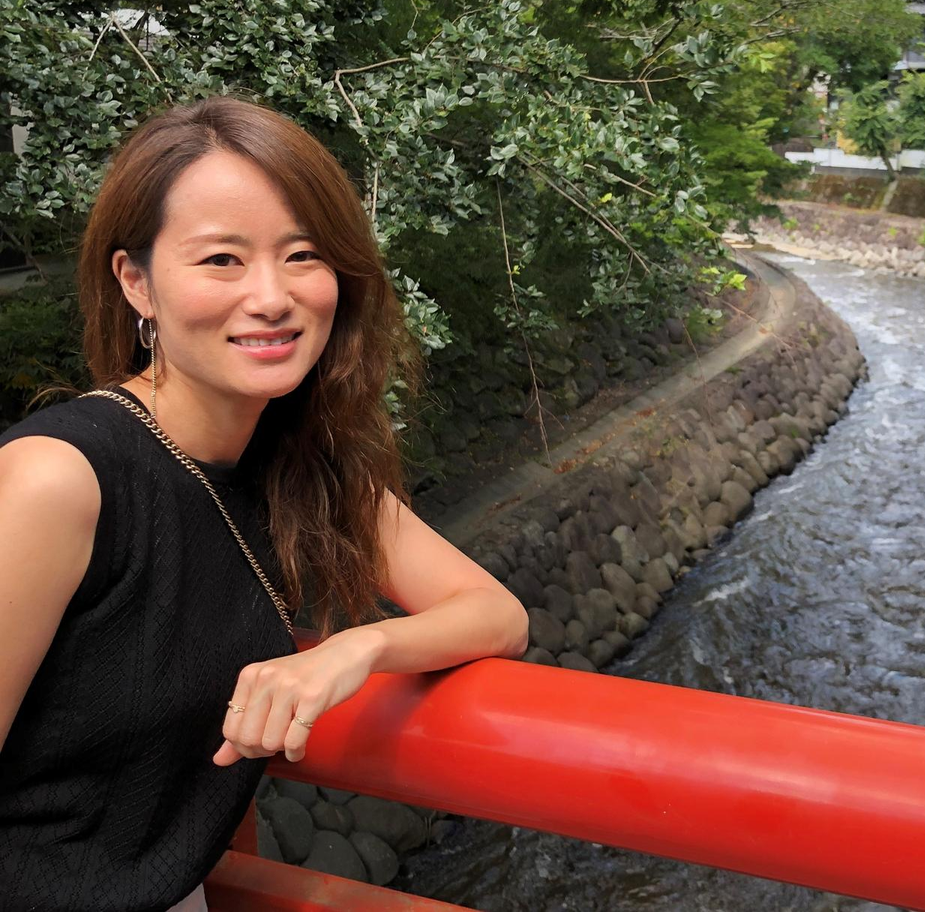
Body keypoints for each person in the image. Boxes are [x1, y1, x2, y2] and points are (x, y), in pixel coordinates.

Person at [0, 96, 531, 911]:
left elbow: (497, 614)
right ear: (137, 282)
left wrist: (352, 649)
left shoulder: (297, 466)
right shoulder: (57, 478)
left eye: (302, 254)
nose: (272, 295)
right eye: (222, 259)